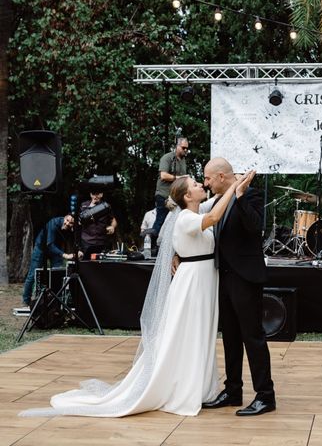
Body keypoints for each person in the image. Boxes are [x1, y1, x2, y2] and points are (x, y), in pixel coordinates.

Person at [19, 173, 248, 418]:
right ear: (187, 196)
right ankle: (180, 387)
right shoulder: (185, 217)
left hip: (203, 279)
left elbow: (216, 204)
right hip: (192, 283)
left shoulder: (195, 208)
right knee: (185, 335)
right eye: (195, 184)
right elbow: (213, 217)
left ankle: (199, 386)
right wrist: (234, 184)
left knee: (200, 335)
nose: (201, 185)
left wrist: (236, 183)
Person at [200, 158, 276, 416]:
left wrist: (241, 197)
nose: (205, 183)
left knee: (252, 337)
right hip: (225, 276)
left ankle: (266, 396)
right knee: (230, 337)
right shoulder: (219, 201)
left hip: (246, 277)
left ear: (222, 176)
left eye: (208, 178)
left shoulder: (250, 194)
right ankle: (233, 391)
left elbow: (256, 227)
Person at [21, 215, 75, 308]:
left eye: (71, 223)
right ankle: (26, 300)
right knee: (32, 274)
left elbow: (69, 241)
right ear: (64, 218)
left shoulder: (70, 228)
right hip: (41, 248)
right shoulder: (53, 224)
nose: (67, 223)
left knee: (57, 274)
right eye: (67, 220)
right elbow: (50, 244)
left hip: (56, 250)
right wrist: (65, 255)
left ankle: (56, 301)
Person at [152, 137, 189, 236]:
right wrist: (180, 177)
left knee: (175, 223)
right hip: (163, 195)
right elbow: (163, 175)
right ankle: (151, 247)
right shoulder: (167, 157)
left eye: (187, 148)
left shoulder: (183, 161)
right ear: (177, 146)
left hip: (175, 197)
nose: (185, 150)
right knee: (160, 221)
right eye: (183, 147)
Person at [80, 190, 117, 256]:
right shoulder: (83, 205)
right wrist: (91, 206)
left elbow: (113, 219)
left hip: (102, 241)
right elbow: (79, 220)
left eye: (97, 194)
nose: (95, 196)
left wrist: (112, 226)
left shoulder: (106, 205)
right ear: (90, 194)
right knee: (88, 263)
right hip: (87, 241)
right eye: (93, 194)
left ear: (101, 194)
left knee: (101, 263)